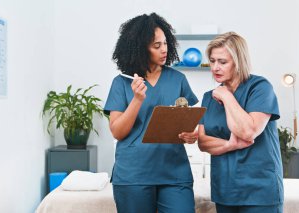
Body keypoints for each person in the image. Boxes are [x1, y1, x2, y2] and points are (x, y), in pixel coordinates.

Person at [104, 13, 199, 213]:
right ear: (140, 48)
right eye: (157, 46)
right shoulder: (121, 83)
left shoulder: (178, 79)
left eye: (165, 43)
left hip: (174, 173)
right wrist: (137, 99)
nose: (164, 49)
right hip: (133, 175)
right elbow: (117, 132)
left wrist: (192, 135)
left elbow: (186, 124)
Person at [198, 32, 283, 213]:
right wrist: (230, 145)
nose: (215, 67)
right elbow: (203, 142)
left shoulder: (260, 88)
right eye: (212, 61)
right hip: (225, 190)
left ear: (238, 62)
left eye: (222, 62)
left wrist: (227, 96)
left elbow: (248, 131)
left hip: (259, 191)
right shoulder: (208, 97)